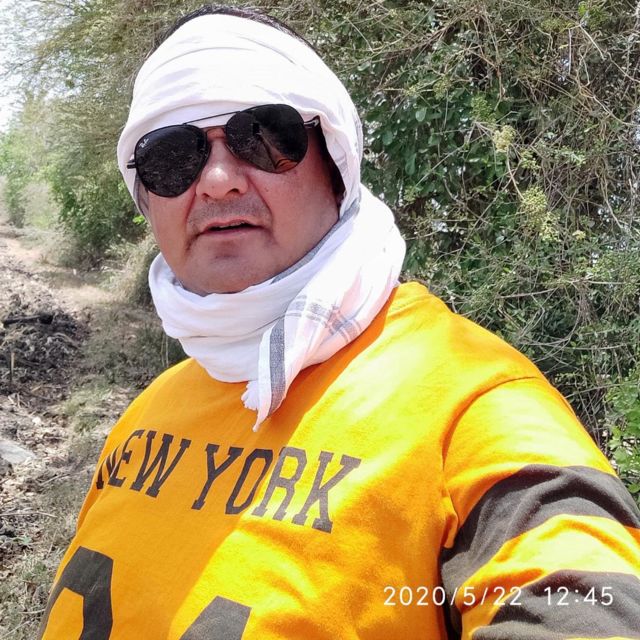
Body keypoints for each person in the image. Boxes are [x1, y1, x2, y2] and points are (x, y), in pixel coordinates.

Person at [38, 5, 640, 639]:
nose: (216, 182)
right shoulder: (148, 412)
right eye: (169, 157)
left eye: (264, 138)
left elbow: (589, 602)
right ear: (145, 199)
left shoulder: (471, 404)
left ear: (337, 166)